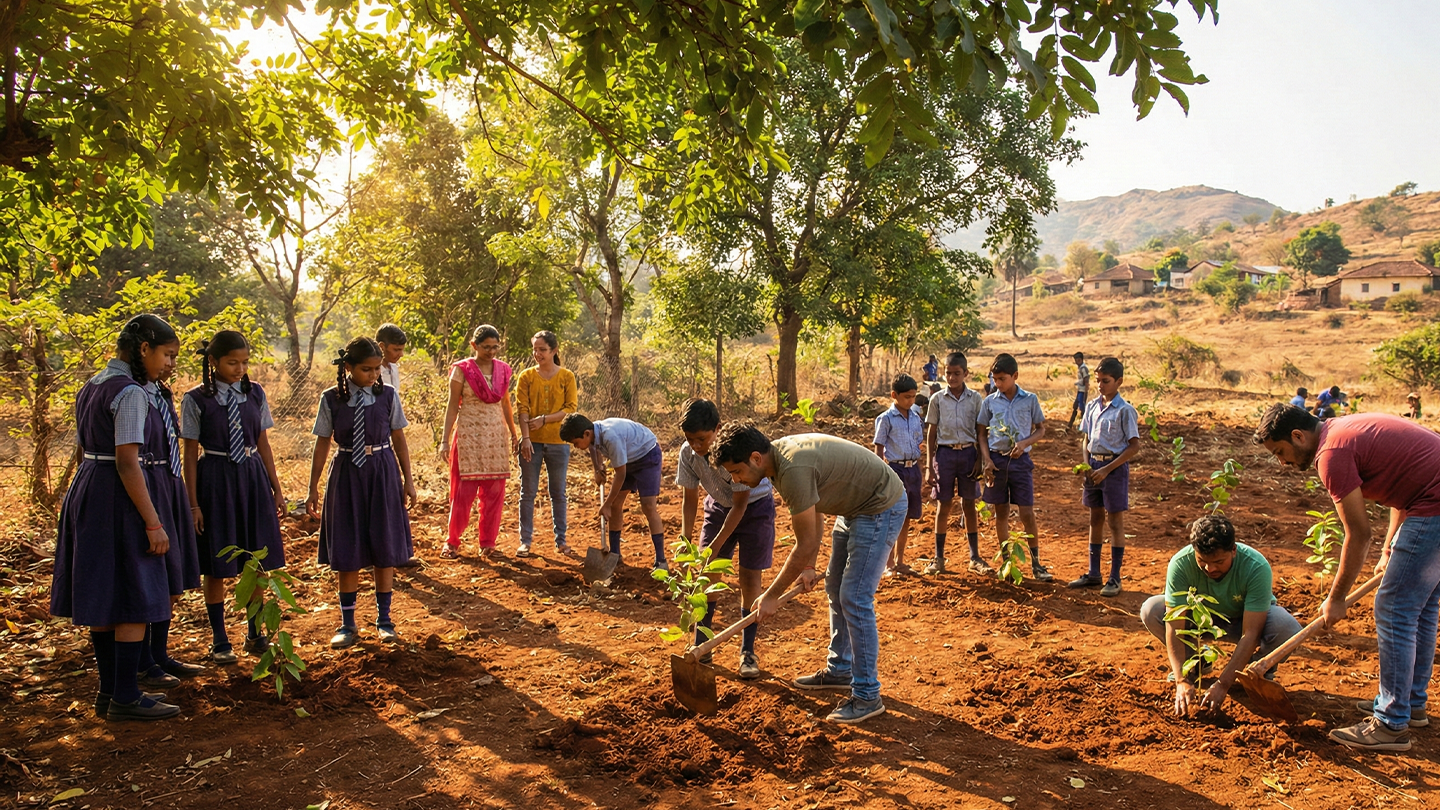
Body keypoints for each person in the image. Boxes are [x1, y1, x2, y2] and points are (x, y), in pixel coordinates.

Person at [1255, 403, 1440, 752]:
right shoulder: (1344, 429)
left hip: (1434, 505)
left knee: (1394, 608)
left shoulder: (1331, 454)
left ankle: (1390, 722)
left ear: (1298, 436)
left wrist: (1337, 597)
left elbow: (1357, 533)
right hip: (1428, 499)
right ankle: (1410, 703)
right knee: (1421, 606)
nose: (1282, 462)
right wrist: (1389, 550)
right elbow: (1404, 489)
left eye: (1280, 452)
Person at [716, 425, 906, 724]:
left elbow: (803, 545)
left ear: (755, 458)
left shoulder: (791, 468)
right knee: (835, 587)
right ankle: (840, 669)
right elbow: (812, 505)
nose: (736, 480)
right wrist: (808, 567)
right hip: (852, 508)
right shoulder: (776, 462)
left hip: (879, 506)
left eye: (737, 471)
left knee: (854, 597)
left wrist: (771, 596)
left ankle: (867, 695)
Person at [50, 315, 186, 721]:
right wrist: (153, 522)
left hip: (89, 487)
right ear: (144, 349)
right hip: (117, 493)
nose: (167, 364)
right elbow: (129, 463)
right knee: (133, 593)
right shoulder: (130, 394)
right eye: (165, 355)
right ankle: (126, 696)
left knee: (107, 593)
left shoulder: (92, 384)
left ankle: (108, 692)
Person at [181, 331, 286, 664]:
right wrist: (193, 503)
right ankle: (219, 638)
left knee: (258, 561)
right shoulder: (196, 399)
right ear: (212, 362)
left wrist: (276, 488)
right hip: (216, 480)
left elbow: (263, 443)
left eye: (244, 362)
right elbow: (189, 454)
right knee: (216, 564)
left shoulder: (254, 393)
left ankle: (255, 633)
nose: (239, 369)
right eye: (231, 362)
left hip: (252, 478)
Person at [307, 337, 418, 649]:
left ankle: (385, 620)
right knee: (348, 549)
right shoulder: (331, 399)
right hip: (346, 474)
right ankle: (348, 623)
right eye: (366, 369)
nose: (372, 375)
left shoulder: (387, 396)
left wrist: (408, 480)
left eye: (376, 369)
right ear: (348, 368)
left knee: (384, 546)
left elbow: (399, 439)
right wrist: (313, 486)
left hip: (382, 471)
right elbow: (322, 443)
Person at [1140, 516, 1302, 717]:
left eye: (1218, 562)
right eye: (1202, 561)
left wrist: (1223, 683)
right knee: (1152, 611)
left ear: (1233, 550)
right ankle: (1196, 662)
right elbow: (1174, 625)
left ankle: (1254, 673)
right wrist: (1181, 680)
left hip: (1244, 621)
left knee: (1287, 628)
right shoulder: (1180, 564)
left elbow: (1251, 633)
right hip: (1202, 620)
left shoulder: (1255, 566)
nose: (1210, 569)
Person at [677, 399, 776, 679]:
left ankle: (747, 652)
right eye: (690, 439)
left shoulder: (733, 453)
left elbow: (741, 505)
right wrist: (687, 543)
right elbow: (690, 499)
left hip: (755, 510)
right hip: (719, 509)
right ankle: (702, 643)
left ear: (717, 429)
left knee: (749, 579)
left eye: (702, 439)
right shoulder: (688, 454)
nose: (696, 445)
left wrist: (715, 545)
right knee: (707, 577)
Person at [441, 325, 518, 560]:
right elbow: (453, 405)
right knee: (463, 494)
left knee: (494, 493)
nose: (491, 351)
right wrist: (444, 440)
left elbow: (505, 404)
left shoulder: (503, 370)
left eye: (495, 347)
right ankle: (452, 542)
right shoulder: (462, 370)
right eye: (486, 347)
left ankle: (488, 543)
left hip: (495, 436)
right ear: (474, 346)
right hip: (468, 436)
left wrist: (514, 435)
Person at [1068, 357, 1139, 597]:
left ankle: (1115, 577)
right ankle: (1093, 572)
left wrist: (1106, 469)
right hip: (1093, 468)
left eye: (1105, 381)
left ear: (1119, 381)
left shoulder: (1125, 410)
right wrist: (1087, 466)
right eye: (1098, 381)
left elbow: (1133, 447)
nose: (1100, 385)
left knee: (1115, 522)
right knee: (1094, 518)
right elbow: (1086, 439)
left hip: (1113, 469)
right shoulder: (1091, 406)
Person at [560, 413, 668, 571]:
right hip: (628, 457)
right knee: (617, 505)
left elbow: (621, 474)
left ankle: (661, 560)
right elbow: (593, 447)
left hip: (647, 455)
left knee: (648, 506)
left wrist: (606, 504)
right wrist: (597, 468)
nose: (576, 447)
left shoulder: (610, 437)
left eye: (576, 443)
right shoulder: (592, 431)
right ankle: (615, 554)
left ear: (586, 434)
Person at [978, 353, 1052, 581]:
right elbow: (981, 432)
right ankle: (1007, 563)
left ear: (1015, 376)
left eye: (1002, 379)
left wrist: (1024, 443)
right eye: (994, 379)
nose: (997, 384)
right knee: (1001, 512)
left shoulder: (1030, 399)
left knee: (1027, 513)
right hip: (997, 462)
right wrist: (986, 460)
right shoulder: (990, 401)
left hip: (1020, 462)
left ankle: (1037, 563)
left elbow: (1041, 429)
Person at [514, 330, 578, 557]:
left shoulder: (566, 376)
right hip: (532, 444)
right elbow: (522, 408)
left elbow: (571, 409)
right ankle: (525, 541)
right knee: (527, 492)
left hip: (559, 442)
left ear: (554, 350)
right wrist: (526, 438)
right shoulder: (527, 376)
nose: (537, 354)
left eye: (542, 349)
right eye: (535, 349)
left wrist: (544, 420)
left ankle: (561, 540)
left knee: (558, 493)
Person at [923, 351, 985, 576]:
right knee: (944, 505)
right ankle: (939, 558)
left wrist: (980, 458)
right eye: (948, 373)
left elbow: (981, 431)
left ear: (966, 374)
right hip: (945, 455)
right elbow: (931, 432)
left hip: (968, 454)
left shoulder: (975, 399)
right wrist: (929, 464)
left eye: (957, 374)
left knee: (969, 504)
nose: (952, 378)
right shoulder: (937, 399)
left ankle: (974, 557)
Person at [873, 374, 925, 576]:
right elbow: (879, 446)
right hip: (895, 470)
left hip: (913, 469)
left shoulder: (915, 417)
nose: (911, 401)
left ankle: (901, 561)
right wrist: (880, 472)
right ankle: (888, 564)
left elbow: (918, 444)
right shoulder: (886, 419)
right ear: (894, 395)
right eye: (907, 397)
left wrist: (920, 468)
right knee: (892, 516)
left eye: (913, 397)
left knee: (906, 517)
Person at [375, 323, 406, 392]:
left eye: (402, 350)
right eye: (396, 350)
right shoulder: (373, 372)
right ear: (382, 347)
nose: (401, 354)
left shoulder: (393, 367)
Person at [1066, 351, 1090, 429]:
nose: (1077, 362)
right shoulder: (1080, 368)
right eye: (1076, 360)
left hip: (1083, 391)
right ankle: (1070, 424)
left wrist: (1086, 392)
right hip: (1080, 390)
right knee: (1075, 406)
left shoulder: (1083, 368)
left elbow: (1086, 381)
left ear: (1081, 359)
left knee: (1082, 408)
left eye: (1078, 360)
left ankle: (1085, 426)